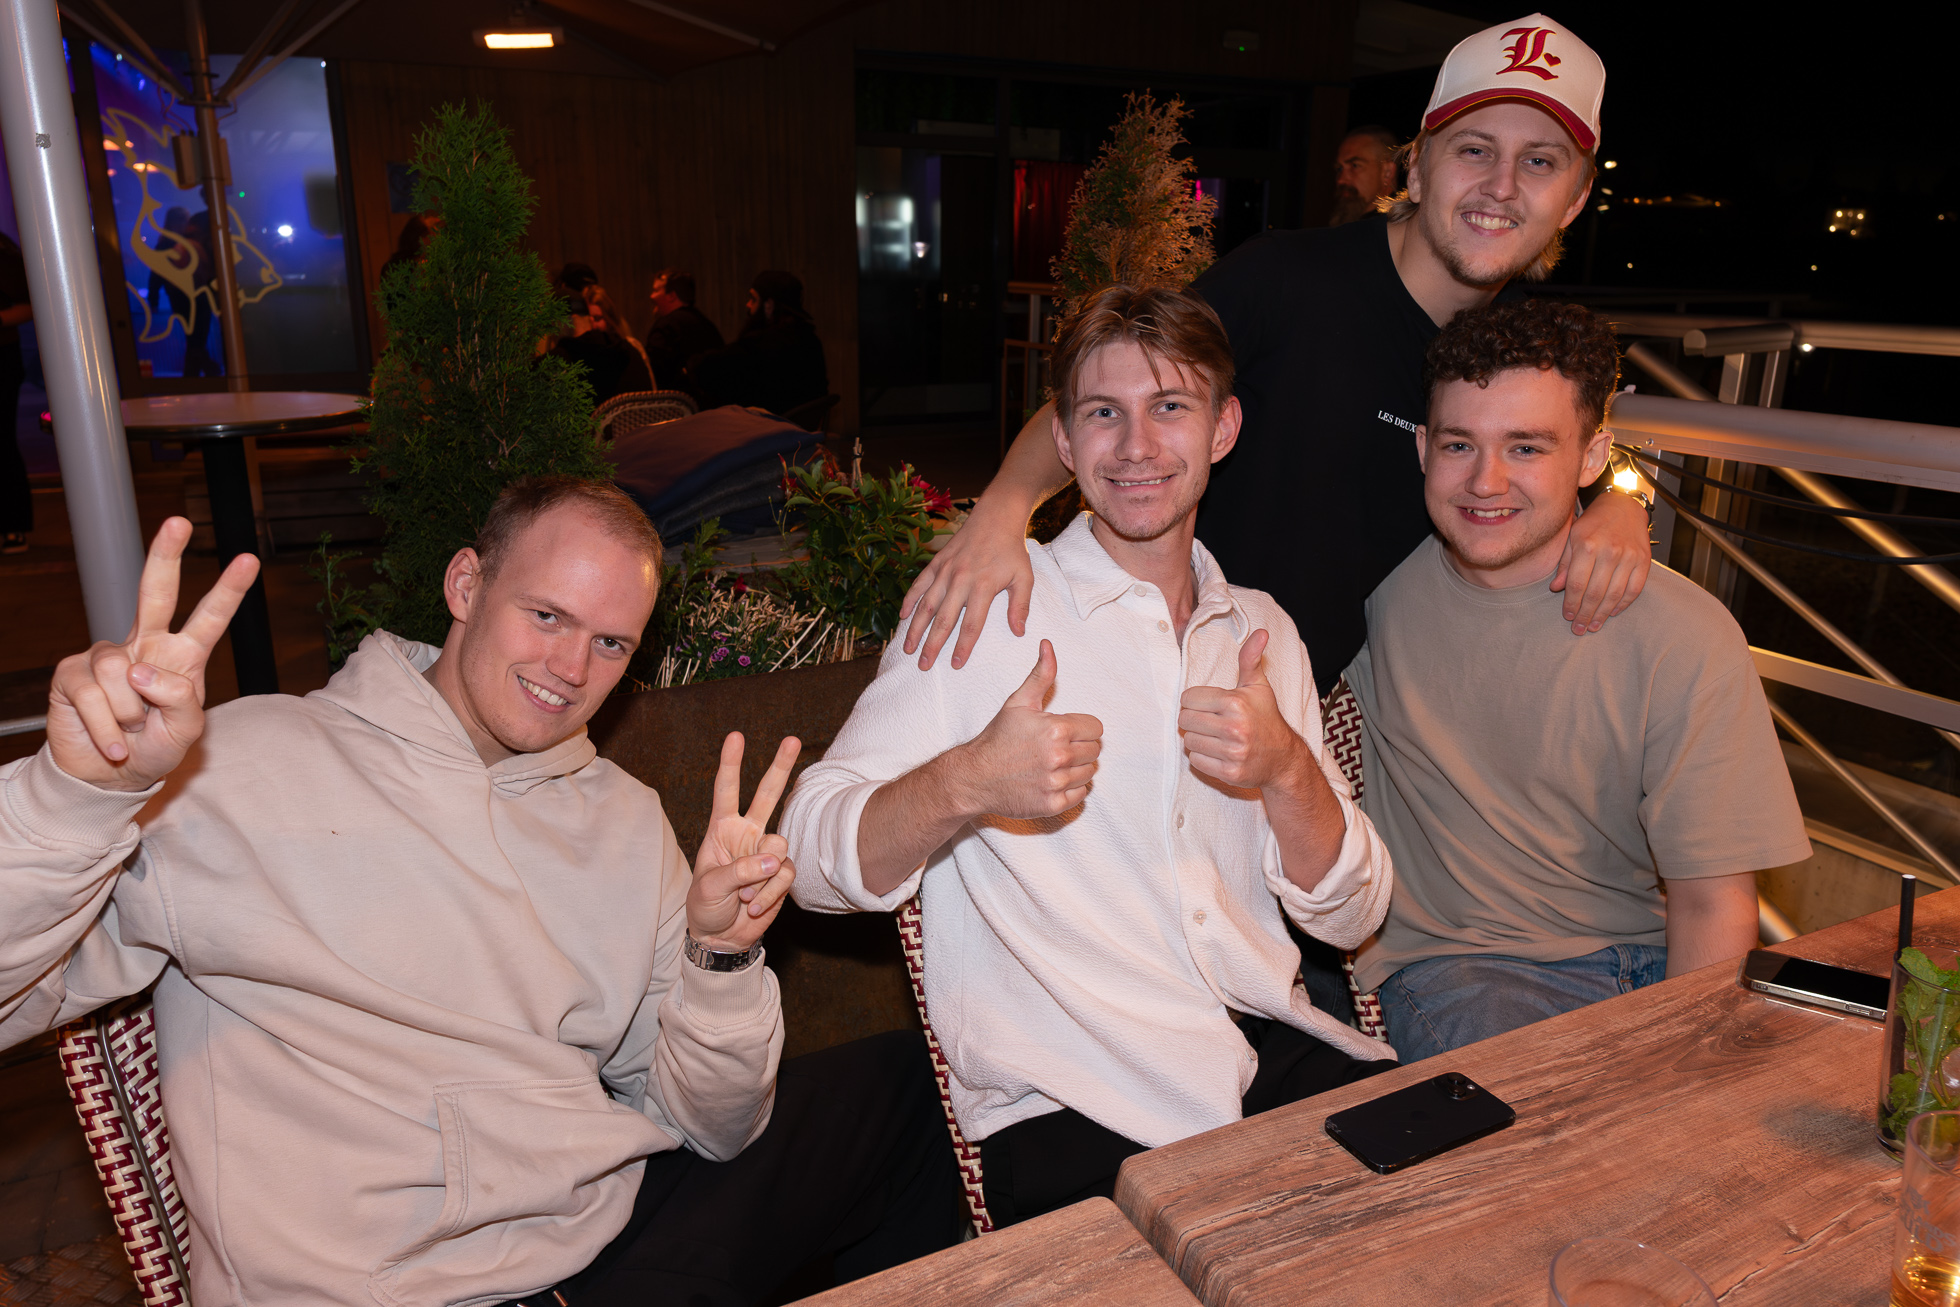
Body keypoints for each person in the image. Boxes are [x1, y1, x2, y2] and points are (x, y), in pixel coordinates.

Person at [0, 477, 960, 1306]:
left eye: (611, 643)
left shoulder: (624, 821)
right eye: (546, 616)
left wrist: (722, 957)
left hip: (602, 1252)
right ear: (466, 585)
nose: (570, 669)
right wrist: (73, 795)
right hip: (379, 1288)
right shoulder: (235, 768)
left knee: (911, 1092)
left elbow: (711, 1127)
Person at [782, 285, 1396, 1229]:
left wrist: (1287, 771)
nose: (1137, 445)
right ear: (1064, 442)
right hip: (1079, 1103)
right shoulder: (989, 610)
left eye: (1170, 407)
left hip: (1272, 1058)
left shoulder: (1264, 630)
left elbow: (1354, 911)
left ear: (1224, 429)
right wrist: (965, 781)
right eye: (1105, 412)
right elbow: (807, 855)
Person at [900, 13, 1648, 689]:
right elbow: (1108, 398)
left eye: (1540, 162)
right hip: (1163, 666)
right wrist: (999, 513)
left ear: (1576, 199)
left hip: (1308, 700)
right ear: (1416, 169)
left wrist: (1620, 504)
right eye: (1475, 150)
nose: (1502, 186)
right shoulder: (1284, 278)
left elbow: (1563, 456)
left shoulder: (1521, 352)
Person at [1348, 299, 1812, 1061]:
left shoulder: (1684, 633)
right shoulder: (1372, 586)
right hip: (1469, 969)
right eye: (1460, 444)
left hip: (1652, 956)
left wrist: (1690, 1067)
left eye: (1527, 447)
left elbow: (1712, 900)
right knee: (1533, 1123)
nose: (1486, 481)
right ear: (1423, 447)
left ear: (1594, 456)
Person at [689, 269, 828, 415]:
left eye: (753, 299)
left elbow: (706, 367)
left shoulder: (761, 344)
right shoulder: (811, 341)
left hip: (768, 426)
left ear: (769, 305)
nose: (748, 305)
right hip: (801, 427)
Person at [552, 290, 654, 406]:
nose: (593, 324)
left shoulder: (629, 347)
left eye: (597, 318)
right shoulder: (625, 351)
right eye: (590, 317)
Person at [0, 231, 31, 553]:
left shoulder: (4, 254)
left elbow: (29, 306)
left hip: (2, 358)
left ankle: (12, 525)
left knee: (2, 442)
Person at [644, 268, 724, 388]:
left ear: (671, 296)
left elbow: (653, 375)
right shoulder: (708, 326)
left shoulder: (666, 327)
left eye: (656, 290)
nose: (651, 296)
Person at [1329, 124, 1400, 226]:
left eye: (1355, 165)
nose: (1341, 180)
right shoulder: (1355, 227)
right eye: (1339, 169)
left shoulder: (1397, 229)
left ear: (1387, 172)